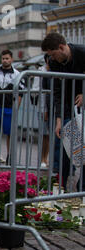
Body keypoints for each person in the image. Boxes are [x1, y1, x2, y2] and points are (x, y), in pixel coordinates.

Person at [41, 32, 85, 191]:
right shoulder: (54, 62)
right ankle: (60, 186)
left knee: (84, 148)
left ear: (61, 47)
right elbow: (57, 92)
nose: (52, 58)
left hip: (83, 108)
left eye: (53, 54)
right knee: (66, 146)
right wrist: (58, 119)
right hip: (67, 108)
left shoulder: (82, 52)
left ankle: (82, 188)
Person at [0, 50, 23, 165]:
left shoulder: (17, 74)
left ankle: (10, 156)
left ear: (11, 59)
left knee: (10, 133)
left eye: (7, 58)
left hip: (9, 108)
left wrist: (15, 108)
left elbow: (20, 93)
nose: (5, 60)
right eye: (3, 58)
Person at [31, 54, 51, 168]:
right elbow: (35, 90)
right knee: (44, 134)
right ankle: (43, 158)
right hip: (43, 107)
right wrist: (44, 109)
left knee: (51, 135)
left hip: (55, 107)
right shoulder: (41, 71)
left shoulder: (59, 69)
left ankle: (48, 158)